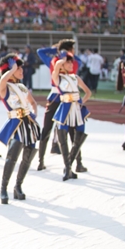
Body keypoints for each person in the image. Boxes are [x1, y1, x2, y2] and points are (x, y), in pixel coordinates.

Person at [35, 40, 86, 172]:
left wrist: (55, 51)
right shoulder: (72, 63)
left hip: (54, 97)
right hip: (66, 98)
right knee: (72, 131)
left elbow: (40, 52)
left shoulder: (54, 61)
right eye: (72, 50)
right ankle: (78, 163)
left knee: (47, 129)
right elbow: (78, 63)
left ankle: (41, 161)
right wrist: (65, 54)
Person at [0, 54, 40, 204]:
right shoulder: (4, 86)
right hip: (15, 124)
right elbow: (2, 81)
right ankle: (3, 189)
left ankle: (18, 186)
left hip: (28, 124)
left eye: (20, 67)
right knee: (12, 156)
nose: (21, 70)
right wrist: (11, 69)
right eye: (18, 67)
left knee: (29, 155)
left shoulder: (21, 86)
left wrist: (34, 115)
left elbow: (33, 103)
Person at [52, 52, 91, 181]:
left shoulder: (75, 77)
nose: (70, 64)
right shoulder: (58, 77)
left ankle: (68, 168)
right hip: (65, 109)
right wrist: (62, 59)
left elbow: (88, 92)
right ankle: (68, 169)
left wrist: (81, 102)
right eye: (67, 62)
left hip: (77, 110)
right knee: (63, 140)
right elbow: (56, 65)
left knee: (78, 139)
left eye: (71, 62)